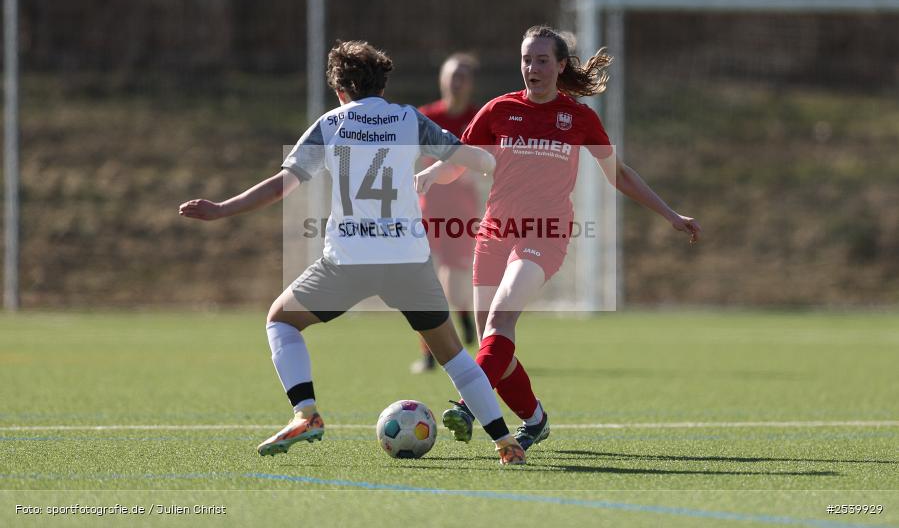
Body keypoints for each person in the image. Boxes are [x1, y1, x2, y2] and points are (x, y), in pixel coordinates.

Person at [179, 40, 526, 465]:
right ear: (383, 83)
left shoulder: (331, 123)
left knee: (280, 320)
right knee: (454, 355)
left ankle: (306, 412)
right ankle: (505, 441)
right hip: (407, 263)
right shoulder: (407, 119)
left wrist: (222, 209)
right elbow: (474, 161)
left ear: (340, 89)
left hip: (349, 262)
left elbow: (282, 185)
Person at [416, 25, 702, 451]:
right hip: (494, 235)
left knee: (500, 323)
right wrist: (426, 176)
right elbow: (461, 160)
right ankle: (535, 419)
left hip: (544, 236)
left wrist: (669, 213)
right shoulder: (498, 110)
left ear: (561, 65)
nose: (532, 68)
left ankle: (467, 405)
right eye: (526, 59)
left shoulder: (579, 118)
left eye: (542, 60)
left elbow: (618, 174)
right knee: (498, 348)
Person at [411, 53, 482, 373]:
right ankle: (428, 353)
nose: (457, 82)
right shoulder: (426, 116)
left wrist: (475, 171)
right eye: (453, 75)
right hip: (428, 210)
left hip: (461, 213)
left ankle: (464, 314)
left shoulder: (478, 118)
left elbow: (489, 159)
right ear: (442, 80)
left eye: (463, 76)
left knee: (453, 280)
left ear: (470, 84)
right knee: (426, 282)